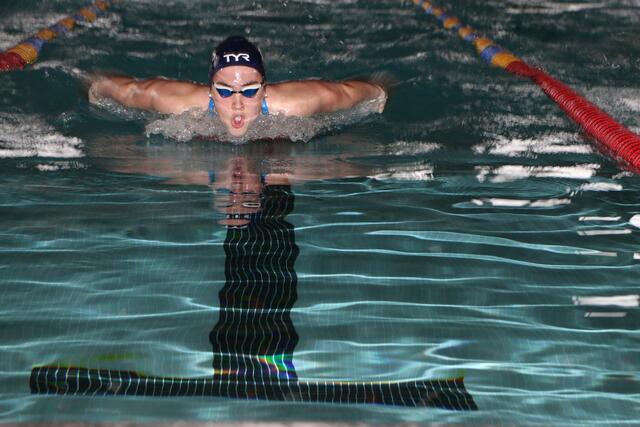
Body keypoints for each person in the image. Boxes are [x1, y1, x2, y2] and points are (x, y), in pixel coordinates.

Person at [89, 36, 387, 138]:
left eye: (249, 90)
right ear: (209, 90)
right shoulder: (174, 102)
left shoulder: (301, 102)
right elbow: (118, 89)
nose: (237, 103)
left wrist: (380, 95)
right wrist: (92, 90)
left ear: (265, 89)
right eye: (224, 90)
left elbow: (364, 92)